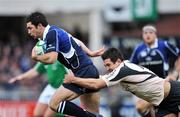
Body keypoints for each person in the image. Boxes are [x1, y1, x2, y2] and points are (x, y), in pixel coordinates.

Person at [26, 12, 104, 116]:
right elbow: (76, 41)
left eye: (30, 28)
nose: (29, 32)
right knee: (91, 111)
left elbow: (52, 59)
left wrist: (36, 57)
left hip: (82, 73)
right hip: (89, 71)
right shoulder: (56, 30)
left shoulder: (51, 34)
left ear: (39, 25)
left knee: (54, 103)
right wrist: (90, 52)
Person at [64, 48, 180, 117]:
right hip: (163, 102)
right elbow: (98, 78)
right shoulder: (121, 70)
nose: (107, 68)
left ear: (119, 61)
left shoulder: (123, 70)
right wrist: (81, 77)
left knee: (140, 107)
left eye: (109, 65)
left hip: (175, 94)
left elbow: (97, 84)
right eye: (105, 66)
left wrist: (74, 79)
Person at [130, 24, 180, 117]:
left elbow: (178, 56)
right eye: (145, 33)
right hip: (147, 87)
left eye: (150, 32)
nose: (148, 35)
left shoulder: (164, 45)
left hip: (165, 85)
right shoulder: (138, 49)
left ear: (155, 34)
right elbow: (131, 66)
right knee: (140, 108)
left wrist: (175, 73)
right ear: (142, 35)